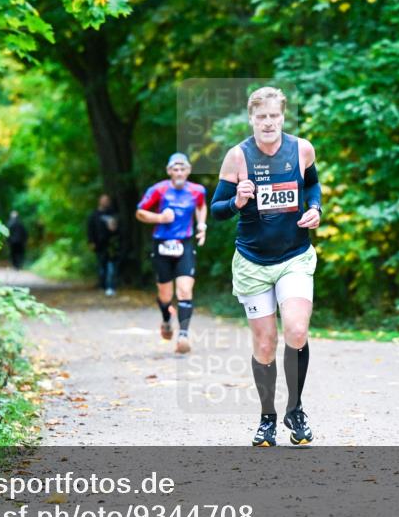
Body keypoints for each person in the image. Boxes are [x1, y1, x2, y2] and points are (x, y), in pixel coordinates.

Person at [209, 87, 322, 446]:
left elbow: (314, 185)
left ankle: (296, 409)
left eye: (274, 116)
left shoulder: (302, 149)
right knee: (265, 343)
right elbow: (216, 209)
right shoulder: (237, 157)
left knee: (297, 330)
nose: (269, 123)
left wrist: (316, 209)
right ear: (252, 119)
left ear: (283, 117)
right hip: (253, 262)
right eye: (262, 117)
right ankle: (267, 418)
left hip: (294, 257)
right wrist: (237, 200)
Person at [135, 153, 207, 353]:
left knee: (184, 290)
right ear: (169, 171)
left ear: (188, 170)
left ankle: (183, 335)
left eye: (182, 169)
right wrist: (160, 218)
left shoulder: (197, 190)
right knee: (165, 295)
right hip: (161, 245)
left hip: (184, 243)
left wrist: (202, 225)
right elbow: (140, 212)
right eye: (175, 169)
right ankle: (167, 319)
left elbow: (201, 206)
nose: (179, 173)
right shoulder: (158, 190)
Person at [87, 194, 121, 296]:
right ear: (99, 201)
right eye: (103, 200)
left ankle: (110, 287)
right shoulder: (94, 215)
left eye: (107, 200)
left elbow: (118, 230)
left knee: (111, 267)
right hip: (99, 245)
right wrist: (91, 242)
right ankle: (103, 286)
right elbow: (90, 229)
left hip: (111, 246)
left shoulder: (113, 214)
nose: (105, 202)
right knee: (102, 267)